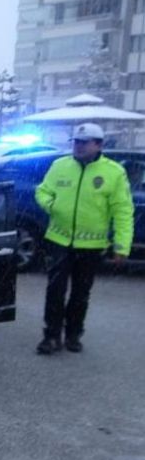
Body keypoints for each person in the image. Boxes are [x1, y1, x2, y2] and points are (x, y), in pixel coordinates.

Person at [34, 123, 134, 355]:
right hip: (59, 241)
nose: (78, 146)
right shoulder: (60, 166)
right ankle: (51, 336)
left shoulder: (113, 172)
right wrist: (51, 204)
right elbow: (42, 190)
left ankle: (73, 334)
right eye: (76, 142)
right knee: (55, 290)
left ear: (98, 145)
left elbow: (122, 210)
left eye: (84, 142)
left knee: (81, 293)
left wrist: (121, 245)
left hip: (91, 245)